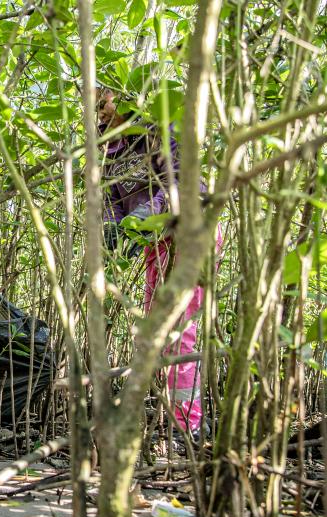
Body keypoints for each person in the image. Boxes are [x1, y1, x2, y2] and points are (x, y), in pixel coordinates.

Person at [98, 88, 216, 437]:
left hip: (188, 231)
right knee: (155, 329)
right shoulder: (108, 152)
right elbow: (111, 202)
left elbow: (181, 186)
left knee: (180, 329)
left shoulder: (158, 134)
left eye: (102, 103)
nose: (97, 113)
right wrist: (111, 231)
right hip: (155, 241)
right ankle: (172, 414)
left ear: (123, 98)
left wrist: (134, 223)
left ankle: (187, 426)